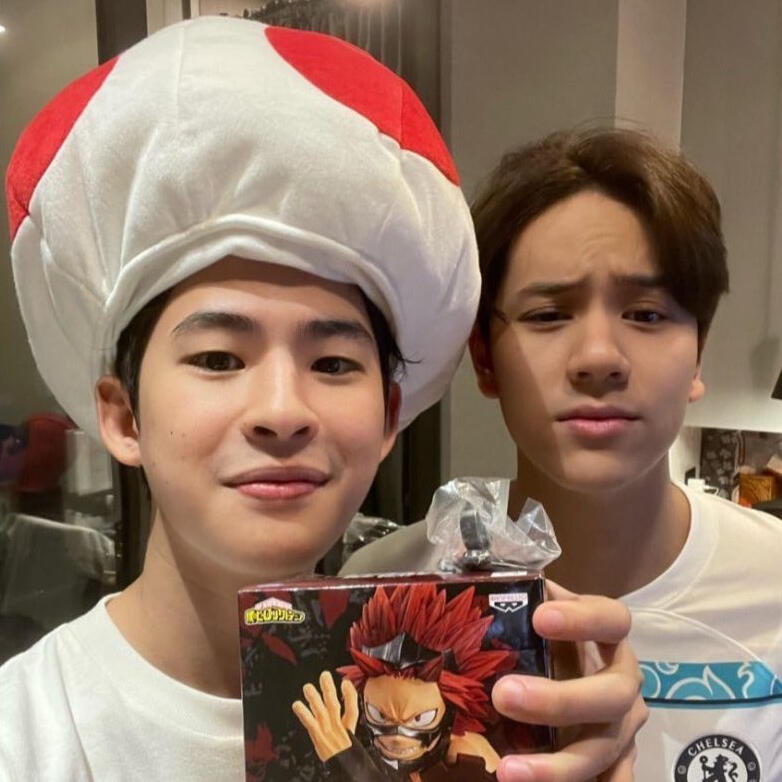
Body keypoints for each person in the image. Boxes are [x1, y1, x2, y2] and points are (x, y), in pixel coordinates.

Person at [0, 18, 644, 781]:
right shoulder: (28, 734)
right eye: (218, 358)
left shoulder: (463, 714)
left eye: (333, 363)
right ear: (122, 415)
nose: (282, 410)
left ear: (390, 417)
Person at [342, 128, 782, 780]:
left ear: (699, 355)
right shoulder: (382, 593)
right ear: (484, 359)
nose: (599, 357)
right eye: (548, 315)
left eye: (648, 314)